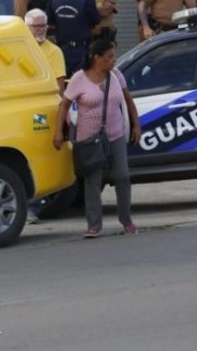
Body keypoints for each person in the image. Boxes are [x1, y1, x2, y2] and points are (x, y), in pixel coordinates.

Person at [53, 39, 141, 239]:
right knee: (93, 181)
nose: (113, 60)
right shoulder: (79, 79)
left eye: (114, 56)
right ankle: (94, 225)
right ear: (96, 58)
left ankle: (127, 221)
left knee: (122, 176)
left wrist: (136, 125)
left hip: (115, 134)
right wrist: (59, 131)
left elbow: (128, 100)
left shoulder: (116, 75)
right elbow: (64, 105)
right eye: (109, 57)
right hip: (89, 138)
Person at [25, 7, 68, 224]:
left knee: (41, 155)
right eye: (36, 26)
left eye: (43, 25)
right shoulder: (18, 50)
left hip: (43, 112)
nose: (40, 30)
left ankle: (34, 206)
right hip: (21, 111)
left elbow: (59, 87)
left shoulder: (54, 51)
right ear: (26, 27)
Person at [48, 0, 100, 78]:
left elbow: (50, 22)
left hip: (62, 49)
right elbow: (97, 19)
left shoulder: (54, 1)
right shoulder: (87, 1)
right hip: (79, 48)